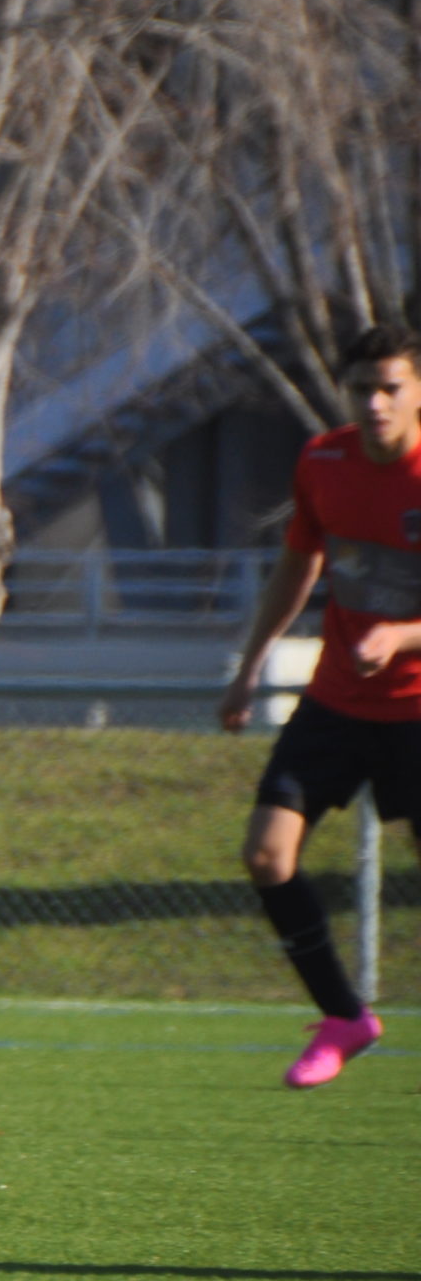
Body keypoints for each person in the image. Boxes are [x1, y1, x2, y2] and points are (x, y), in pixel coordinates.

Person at [218, 322, 421, 1088]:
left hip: (415, 708)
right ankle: (343, 1018)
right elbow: (296, 567)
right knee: (266, 853)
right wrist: (249, 666)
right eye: (361, 389)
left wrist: (401, 636)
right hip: (336, 701)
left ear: (417, 391)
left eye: (390, 388)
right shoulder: (323, 462)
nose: (375, 403)